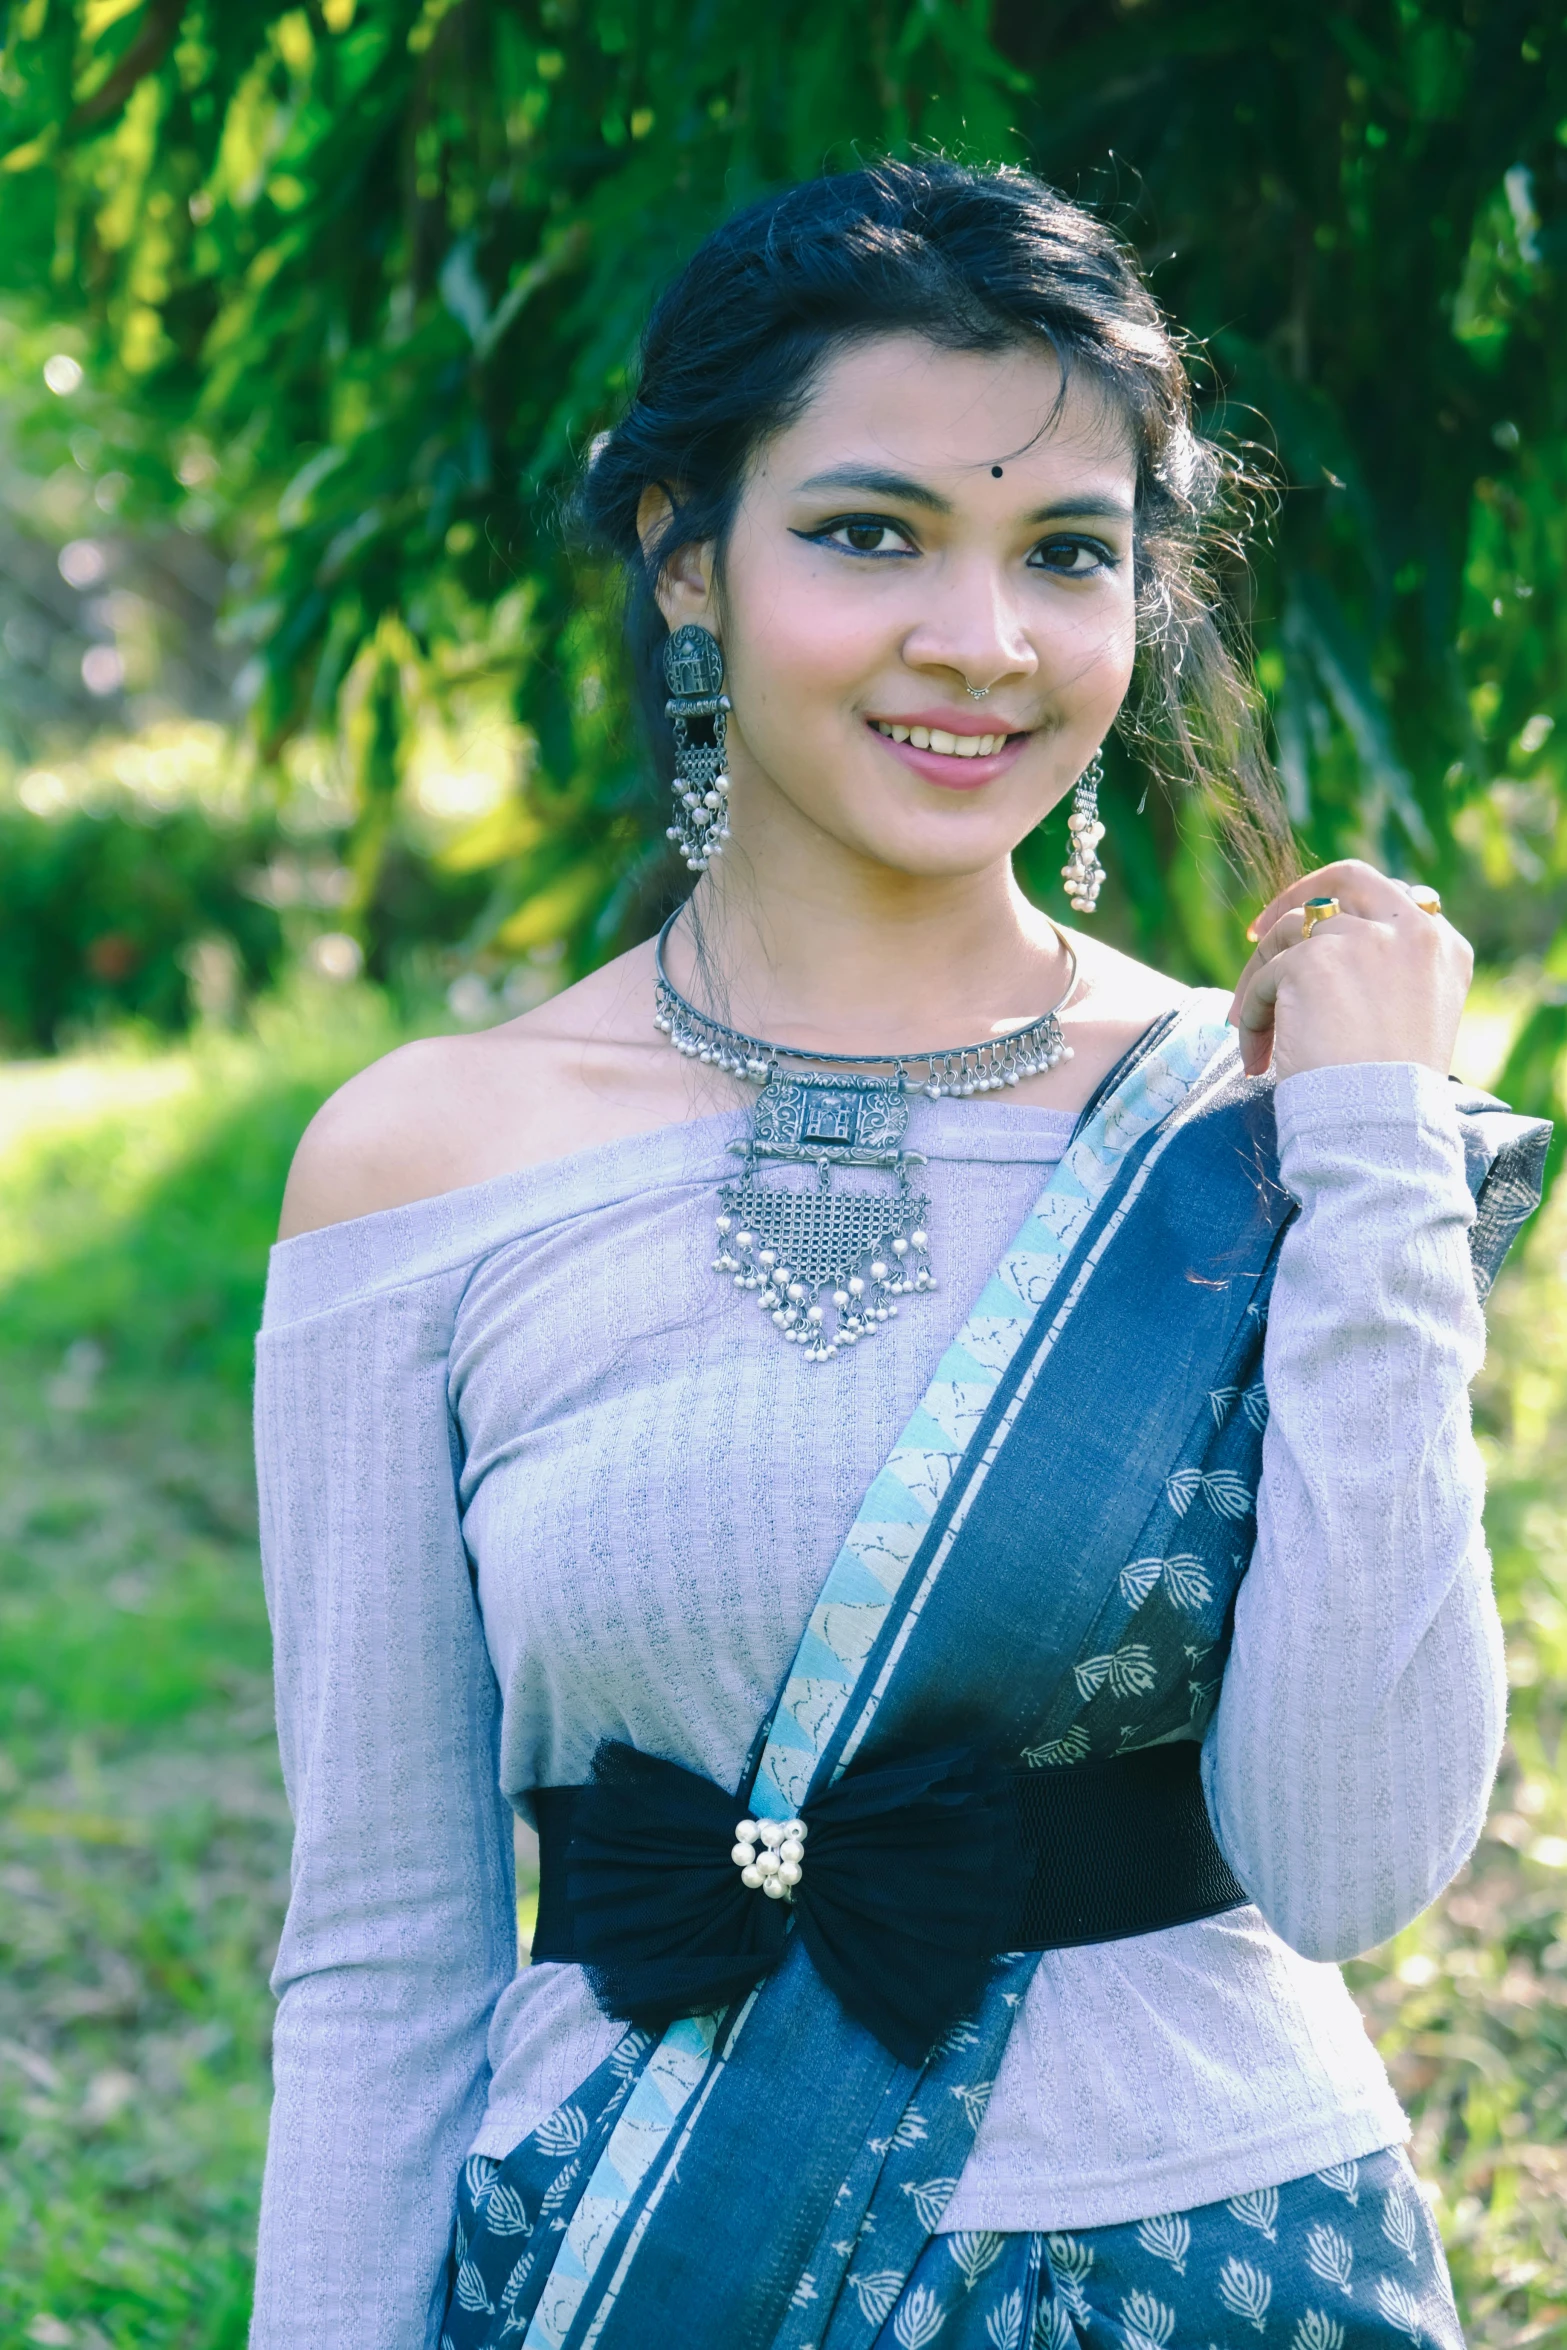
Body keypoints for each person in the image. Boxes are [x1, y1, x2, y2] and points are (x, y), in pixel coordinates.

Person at [250, 161, 1546, 2350]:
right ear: (688, 559)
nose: (986, 639)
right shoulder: (423, 1162)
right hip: (637, 2258)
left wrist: (1372, 1151)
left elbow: (1349, 1857)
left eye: (1069, 553)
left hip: (1217, 2257)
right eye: (870, 533)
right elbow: (383, 1945)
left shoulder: (1251, 1127)